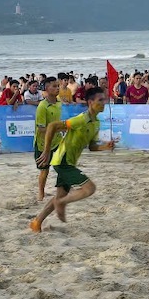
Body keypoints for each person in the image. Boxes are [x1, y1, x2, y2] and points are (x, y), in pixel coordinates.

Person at [30, 87, 116, 232]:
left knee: (60, 195)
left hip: (69, 162)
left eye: (104, 99)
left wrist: (105, 147)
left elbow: (92, 147)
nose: (104, 103)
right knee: (90, 188)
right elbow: (52, 126)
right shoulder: (82, 119)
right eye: (100, 100)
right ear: (90, 102)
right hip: (62, 161)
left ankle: (36, 222)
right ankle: (61, 203)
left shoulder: (96, 123)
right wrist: (46, 150)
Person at [33, 76, 62, 201]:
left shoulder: (59, 102)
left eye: (58, 86)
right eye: (54, 86)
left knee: (63, 166)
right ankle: (41, 192)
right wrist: (57, 129)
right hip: (43, 143)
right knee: (44, 170)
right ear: (46, 88)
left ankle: (63, 190)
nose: (57, 88)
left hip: (57, 141)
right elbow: (41, 129)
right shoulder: (42, 106)